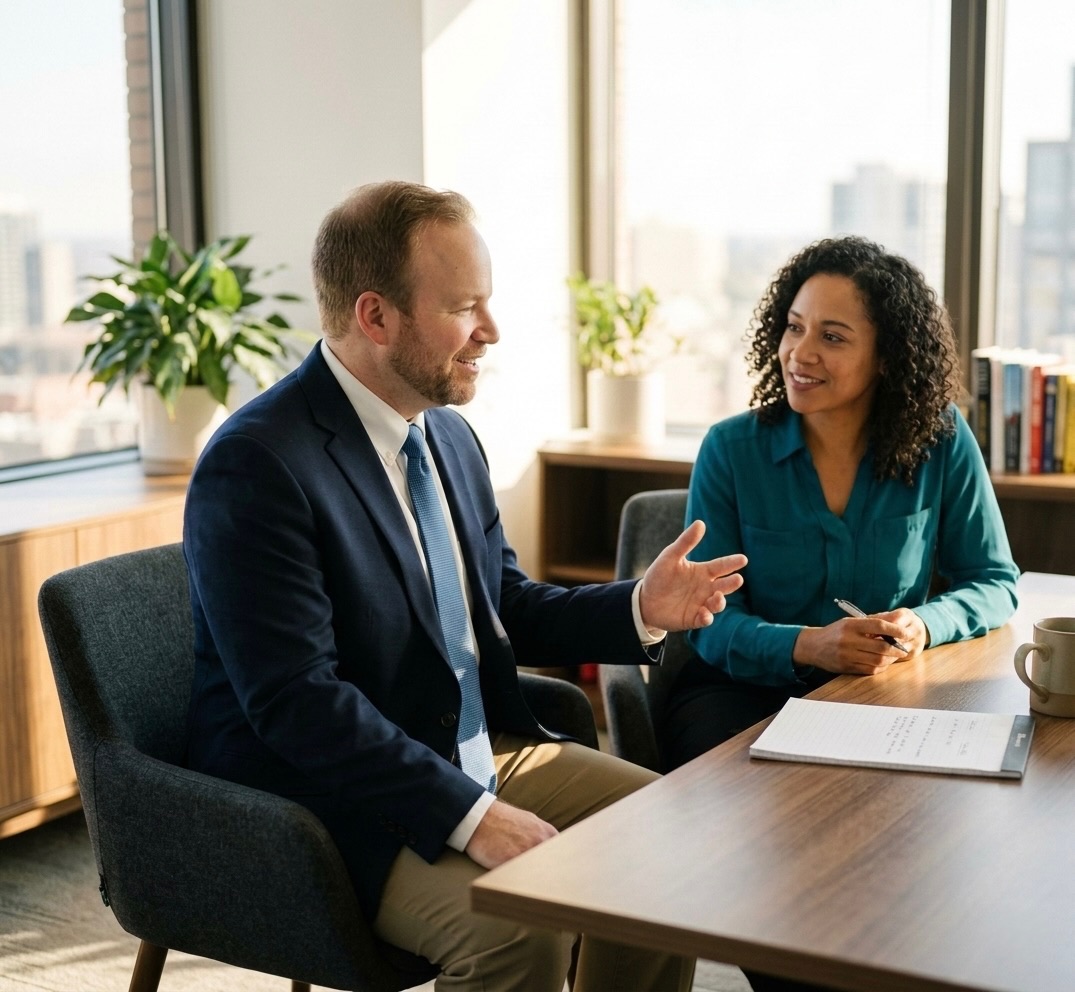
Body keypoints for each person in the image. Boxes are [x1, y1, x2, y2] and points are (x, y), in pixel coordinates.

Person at [182, 180, 747, 992]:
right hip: (323, 796)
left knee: (659, 837)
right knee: (518, 933)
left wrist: (638, 608)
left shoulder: (445, 433)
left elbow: (502, 607)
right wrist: (471, 818)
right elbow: (296, 701)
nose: (490, 331)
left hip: (470, 748)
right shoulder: (258, 464)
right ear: (375, 318)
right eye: (464, 307)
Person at [662, 235, 1020, 773]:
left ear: (885, 358)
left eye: (832, 336)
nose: (800, 354)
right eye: (794, 326)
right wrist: (808, 645)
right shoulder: (730, 450)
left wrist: (924, 624)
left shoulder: (941, 439)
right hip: (742, 695)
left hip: (879, 693)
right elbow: (711, 624)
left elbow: (994, 581)